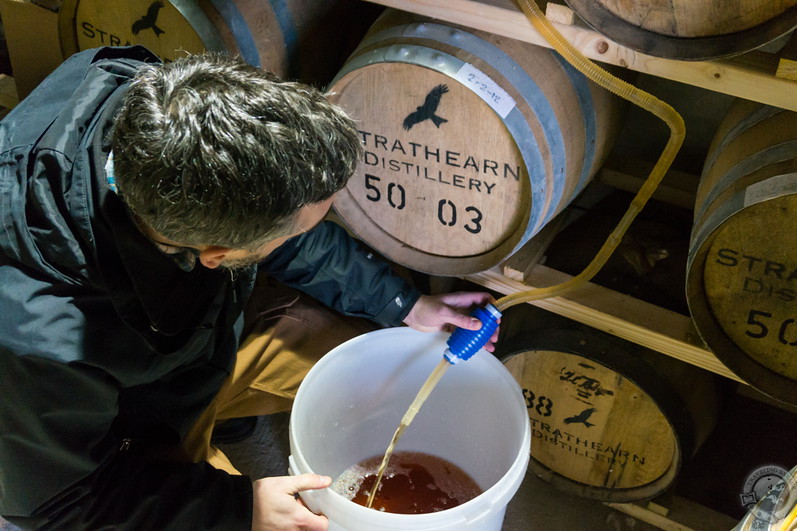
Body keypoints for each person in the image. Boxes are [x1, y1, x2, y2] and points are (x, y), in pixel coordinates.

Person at [0, 46, 497, 530]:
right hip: (121, 414)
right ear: (217, 255)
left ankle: (221, 410)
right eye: (296, 233)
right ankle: (196, 436)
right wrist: (240, 509)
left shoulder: (158, 98)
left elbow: (278, 212)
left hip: (200, 331)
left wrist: (404, 304)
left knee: (396, 368)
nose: (302, 236)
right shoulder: (39, 342)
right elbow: (59, 504)